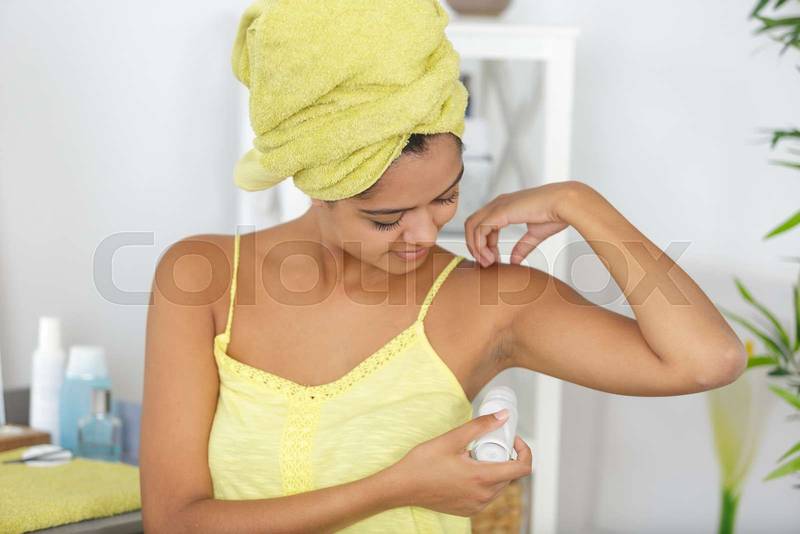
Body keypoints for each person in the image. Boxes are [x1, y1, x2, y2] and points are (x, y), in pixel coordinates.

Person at [139, 1, 747, 532]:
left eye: (446, 196)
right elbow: (174, 522)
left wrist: (579, 202)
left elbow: (709, 360)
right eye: (387, 218)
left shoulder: (491, 302)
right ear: (317, 188)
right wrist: (395, 487)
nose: (427, 235)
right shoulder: (202, 276)